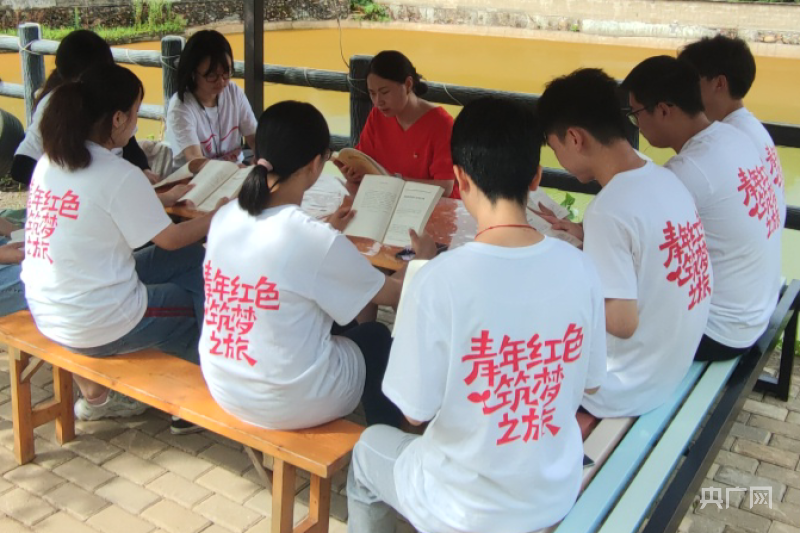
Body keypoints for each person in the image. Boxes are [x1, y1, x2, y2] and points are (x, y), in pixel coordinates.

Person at [346, 96, 607, 533]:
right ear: (536, 177)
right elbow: (592, 382)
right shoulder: (581, 268)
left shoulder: (439, 279)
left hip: (461, 506)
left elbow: (414, 413)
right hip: (551, 494)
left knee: (369, 450)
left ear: (460, 178)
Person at [199, 100, 433, 431]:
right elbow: (393, 294)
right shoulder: (313, 239)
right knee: (375, 337)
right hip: (284, 400)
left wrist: (327, 231)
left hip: (225, 383)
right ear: (314, 164)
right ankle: (388, 437)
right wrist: (420, 259)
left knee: (332, 318)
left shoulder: (226, 215)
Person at [21, 63, 221, 428]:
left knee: (194, 259)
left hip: (47, 306)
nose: (136, 124)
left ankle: (206, 370)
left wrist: (159, 199)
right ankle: (200, 398)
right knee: (191, 302)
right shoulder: (118, 174)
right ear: (117, 119)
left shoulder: (52, 162)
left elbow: (100, 206)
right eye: (135, 113)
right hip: (95, 321)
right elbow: (171, 238)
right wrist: (221, 214)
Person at [536, 69, 711, 433]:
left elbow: (621, 323)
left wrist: (559, 280)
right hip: (668, 369)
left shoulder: (610, 209)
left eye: (555, 148)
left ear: (574, 138)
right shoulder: (662, 177)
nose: (558, 158)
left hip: (623, 388)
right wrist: (585, 237)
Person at [622, 56, 782, 362]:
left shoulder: (689, 170)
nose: (637, 125)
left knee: (608, 313)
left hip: (716, 332)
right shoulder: (732, 137)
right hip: (753, 312)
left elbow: (631, 249)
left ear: (663, 110)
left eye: (636, 114)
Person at [10, 29, 156, 185]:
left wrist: (144, 170)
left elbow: (129, 144)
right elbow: (21, 166)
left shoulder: (110, 97)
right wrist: (75, 184)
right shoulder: (54, 106)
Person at [678, 35, 786, 224]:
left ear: (719, 83)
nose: (681, 90)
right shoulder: (751, 128)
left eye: (689, 81)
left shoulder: (726, 140)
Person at [336, 50, 458, 198]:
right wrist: (353, 173)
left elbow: (445, 187)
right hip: (387, 200)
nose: (378, 101)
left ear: (408, 84)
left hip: (432, 205)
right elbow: (364, 162)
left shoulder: (441, 124)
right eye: (372, 93)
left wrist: (395, 181)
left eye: (385, 92)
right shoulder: (377, 116)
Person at [166, 30, 257, 171]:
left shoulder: (233, 92)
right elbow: (195, 160)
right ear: (193, 74)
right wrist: (232, 170)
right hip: (195, 178)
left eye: (226, 73)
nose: (221, 82)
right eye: (212, 75)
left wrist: (261, 157)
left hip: (235, 172)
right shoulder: (181, 107)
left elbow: (254, 138)